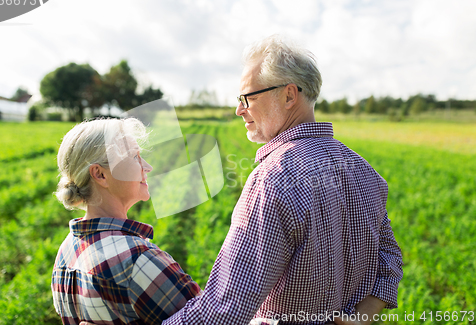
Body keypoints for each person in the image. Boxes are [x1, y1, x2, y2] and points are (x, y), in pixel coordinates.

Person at [161, 35, 403, 325]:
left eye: (248, 97)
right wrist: (361, 318)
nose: (240, 109)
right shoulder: (364, 170)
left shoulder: (273, 178)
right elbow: (390, 257)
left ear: (289, 95)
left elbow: (225, 308)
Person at [51, 118, 201, 325]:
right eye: (134, 157)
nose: (147, 167)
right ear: (100, 174)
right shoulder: (138, 260)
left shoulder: (66, 252)